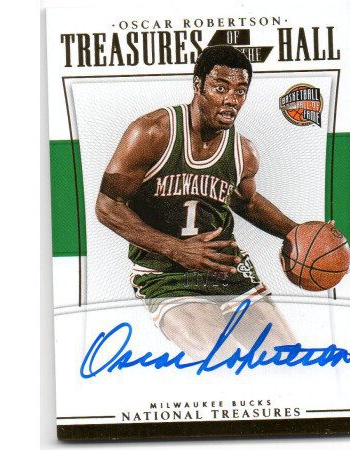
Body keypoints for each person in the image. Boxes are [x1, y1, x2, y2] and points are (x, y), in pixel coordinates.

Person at [96, 45, 297, 360]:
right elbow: (108, 206)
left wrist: (297, 232)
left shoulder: (243, 152)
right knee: (222, 359)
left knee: (288, 360)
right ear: (197, 85)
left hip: (227, 270)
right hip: (166, 275)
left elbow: (247, 203)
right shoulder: (152, 133)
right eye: (221, 88)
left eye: (241, 91)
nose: (232, 99)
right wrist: (176, 249)